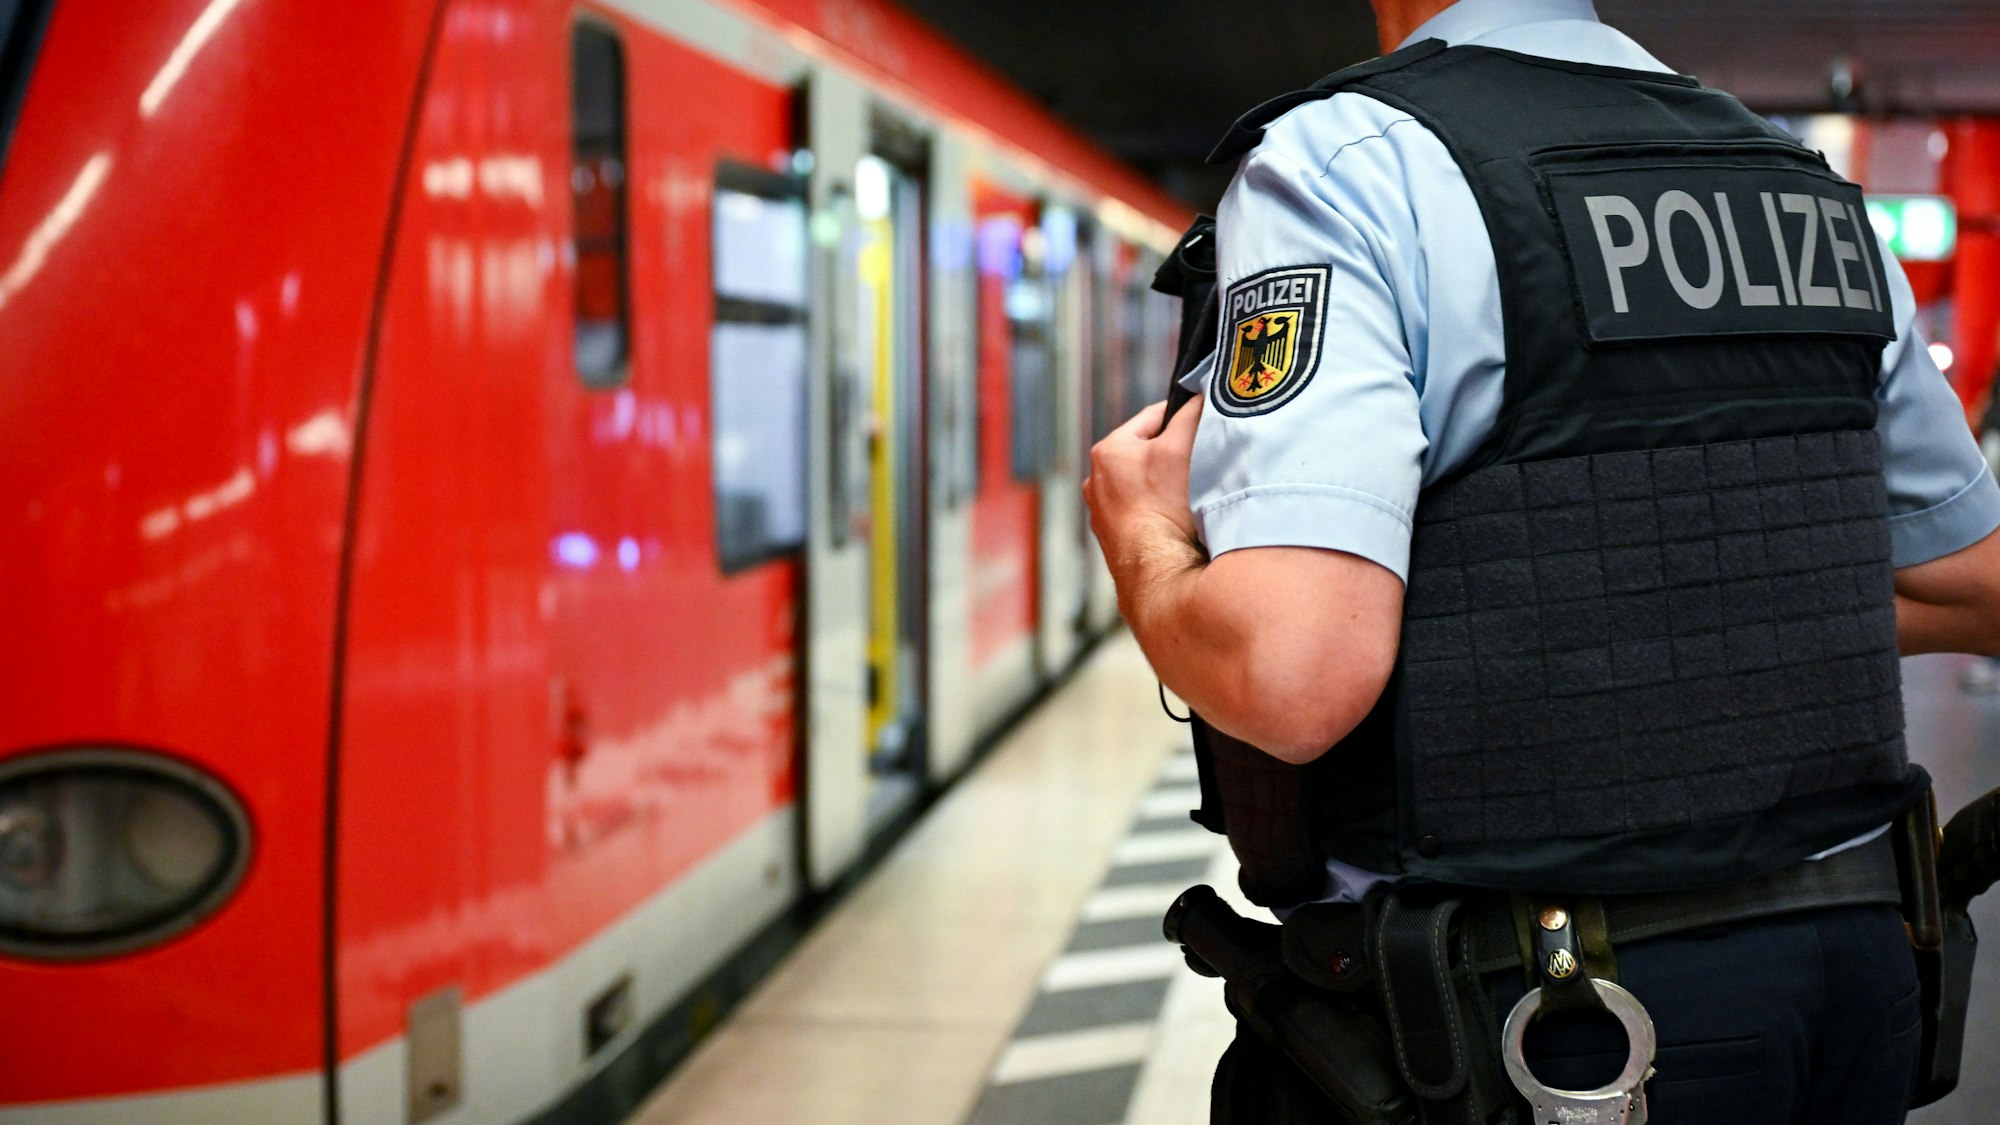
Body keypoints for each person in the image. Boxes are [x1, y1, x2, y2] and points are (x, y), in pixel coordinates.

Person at [1083, 1, 2000, 1122]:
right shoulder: (1797, 184)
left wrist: (1140, 537)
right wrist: (1675, 604)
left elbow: (1293, 673)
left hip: (1556, 1031)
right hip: (1855, 986)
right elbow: (1975, 585)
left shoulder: (1350, 163)